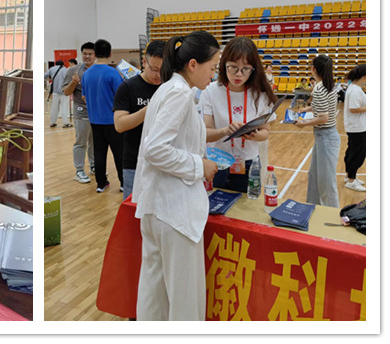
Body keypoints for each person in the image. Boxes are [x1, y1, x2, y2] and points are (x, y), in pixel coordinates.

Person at [132, 31, 220, 321]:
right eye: (212, 67)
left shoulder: (169, 89)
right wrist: (199, 165)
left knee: (154, 297)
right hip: (174, 212)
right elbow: (155, 149)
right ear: (193, 64)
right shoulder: (179, 93)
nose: (213, 74)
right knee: (185, 303)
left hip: (158, 208)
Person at [200, 37, 276, 193]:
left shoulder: (261, 94)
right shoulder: (210, 91)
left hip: (249, 163)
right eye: (233, 67)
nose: (238, 74)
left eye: (245, 69)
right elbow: (205, 134)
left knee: (248, 205)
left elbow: (266, 132)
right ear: (224, 64)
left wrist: (254, 135)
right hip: (217, 161)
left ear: (253, 69)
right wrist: (225, 131)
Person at [113, 40, 166, 200]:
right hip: (134, 163)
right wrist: (149, 109)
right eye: (154, 69)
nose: (158, 75)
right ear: (144, 62)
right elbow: (119, 125)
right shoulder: (128, 87)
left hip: (164, 161)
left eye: (164, 70)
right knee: (134, 209)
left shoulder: (169, 87)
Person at [294, 55, 341, 207]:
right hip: (324, 136)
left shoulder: (319, 88)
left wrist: (304, 123)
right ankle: (312, 207)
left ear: (313, 69)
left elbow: (323, 118)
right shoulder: (330, 85)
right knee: (314, 176)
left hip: (326, 136)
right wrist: (307, 109)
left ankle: (331, 214)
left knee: (326, 183)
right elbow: (323, 107)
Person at [81, 39, 124, 193]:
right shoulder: (113, 73)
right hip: (112, 120)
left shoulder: (86, 74)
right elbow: (120, 97)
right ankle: (123, 183)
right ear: (110, 53)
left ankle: (101, 184)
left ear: (95, 53)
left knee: (99, 152)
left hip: (94, 119)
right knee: (119, 153)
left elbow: (84, 97)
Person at [62, 42, 96, 184]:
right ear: (81, 54)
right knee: (81, 141)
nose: (87, 56)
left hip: (97, 112)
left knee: (95, 142)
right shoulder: (73, 70)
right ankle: (79, 170)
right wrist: (74, 82)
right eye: (85, 54)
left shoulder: (99, 70)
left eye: (90, 54)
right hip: (81, 112)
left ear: (95, 55)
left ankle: (94, 166)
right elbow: (66, 92)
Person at [343, 65, 366, 192]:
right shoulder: (355, 90)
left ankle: (349, 176)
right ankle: (351, 180)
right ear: (364, 77)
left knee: (352, 151)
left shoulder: (355, 88)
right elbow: (353, 108)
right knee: (357, 154)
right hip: (357, 127)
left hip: (356, 126)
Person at [44, 61, 70, 128]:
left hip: (55, 92)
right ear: (63, 65)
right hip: (64, 91)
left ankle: (52, 122)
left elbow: (44, 76)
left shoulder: (52, 69)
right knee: (64, 107)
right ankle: (65, 123)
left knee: (54, 108)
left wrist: (49, 79)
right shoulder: (65, 69)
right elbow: (67, 79)